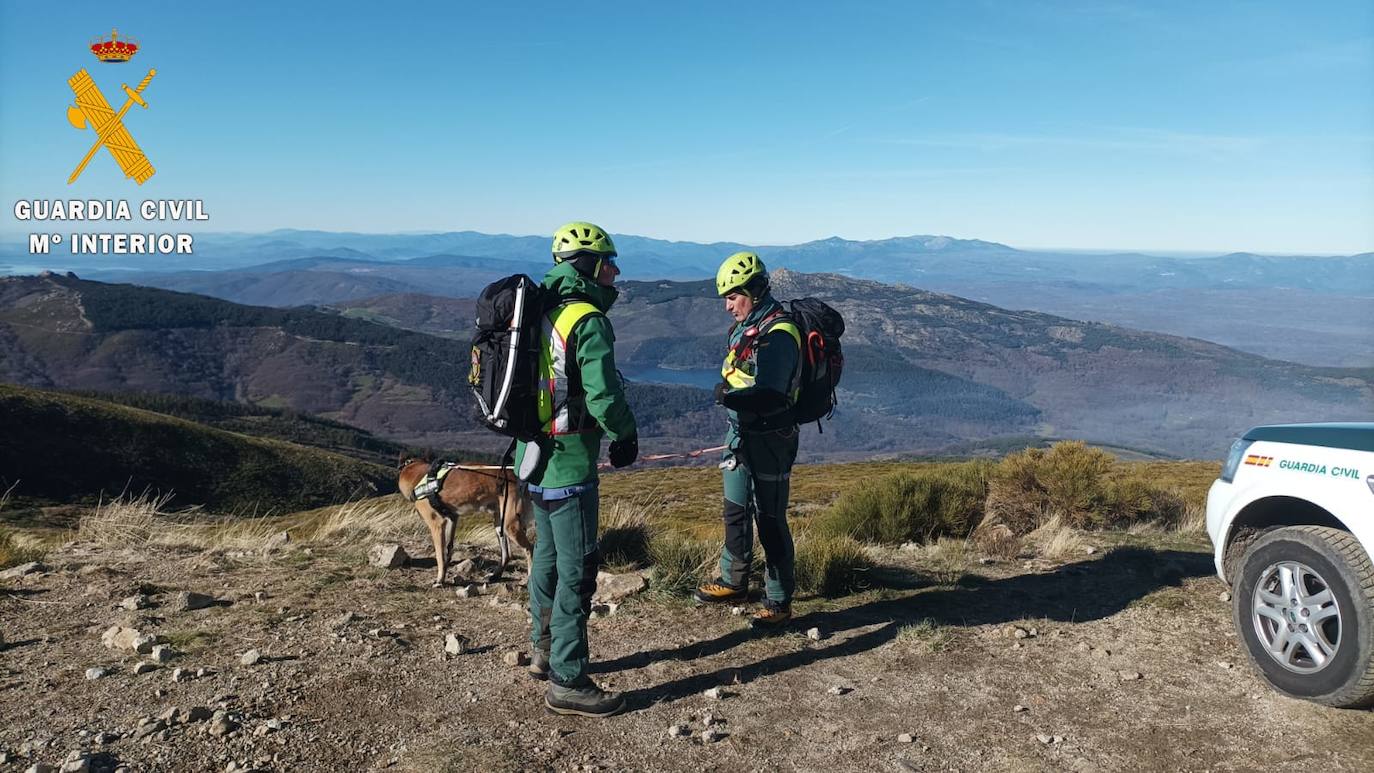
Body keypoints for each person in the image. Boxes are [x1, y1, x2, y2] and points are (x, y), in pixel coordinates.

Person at [514, 221, 638, 717]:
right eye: (608, 261)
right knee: (578, 570)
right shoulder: (586, 318)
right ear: (588, 265)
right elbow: (603, 395)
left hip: (534, 455)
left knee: (546, 557)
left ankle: (543, 650)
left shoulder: (542, 311)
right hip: (570, 463)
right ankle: (568, 678)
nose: (615, 270)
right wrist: (625, 435)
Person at [693, 251, 802, 630]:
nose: (727, 306)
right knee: (735, 509)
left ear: (754, 291)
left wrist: (729, 397)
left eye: (732, 296)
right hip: (739, 434)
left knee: (770, 518)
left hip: (771, 438)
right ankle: (733, 580)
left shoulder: (780, 333)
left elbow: (773, 392)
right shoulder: (747, 327)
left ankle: (778, 599)